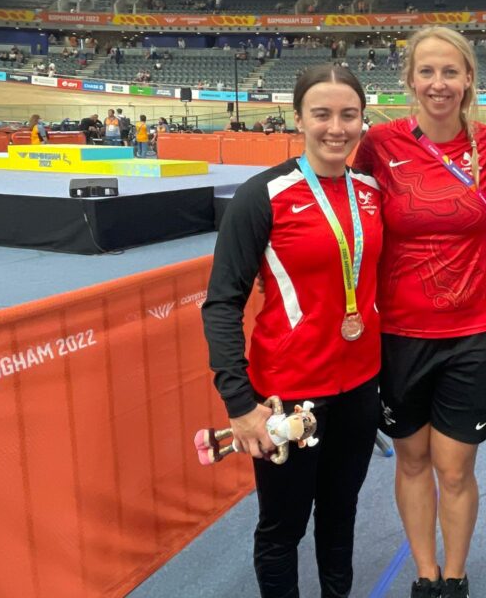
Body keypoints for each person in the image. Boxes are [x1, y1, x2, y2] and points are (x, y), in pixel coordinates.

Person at [202, 64, 382, 598]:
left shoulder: (372, 191)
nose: (336, 127)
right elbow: (222, 302)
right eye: (321, 114)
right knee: (283, 528)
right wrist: (239, 402)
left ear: (362, 120)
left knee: (340, 515)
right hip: (287, 398)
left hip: (358, 389)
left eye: (348, 115)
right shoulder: (263, 195)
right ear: (298, 118)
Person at [352, 27, 486, 598]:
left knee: (456, 468)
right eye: (427, 72)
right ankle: (426, 574)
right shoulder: (379, 144)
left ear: (469, 79)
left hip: (471, 332)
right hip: (399, 331)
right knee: (413, 461)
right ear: (409, 79)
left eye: (451, 72)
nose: (439, 84)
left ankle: (457, 577)